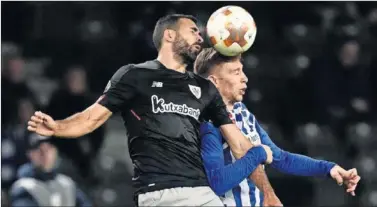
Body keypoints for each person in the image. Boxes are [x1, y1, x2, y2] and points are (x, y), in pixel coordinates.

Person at [27, 14, 270, 206]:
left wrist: (269, 193)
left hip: (201, 191)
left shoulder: (205, 88)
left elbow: (239, 145)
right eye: (193, 31)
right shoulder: (135, 75)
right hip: (159, 192)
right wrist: (57, 127)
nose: (200, 37)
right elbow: (91, 118)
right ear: (170, 35)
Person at [194, 48, 361, 207]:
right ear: (213, 82)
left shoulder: (243, 113)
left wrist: (329, 168)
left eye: (242, 70)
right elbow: (217, 183)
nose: (244, 78)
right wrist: (258, 153)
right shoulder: (206, 122)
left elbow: (281, 158)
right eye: (236, 72)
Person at [9, 135, 92, 207]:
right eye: (39, 150)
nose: (45, 154)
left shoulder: (67, 183)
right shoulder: (23, 187)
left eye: (48, 148)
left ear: (55, 151)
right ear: (30, 154)